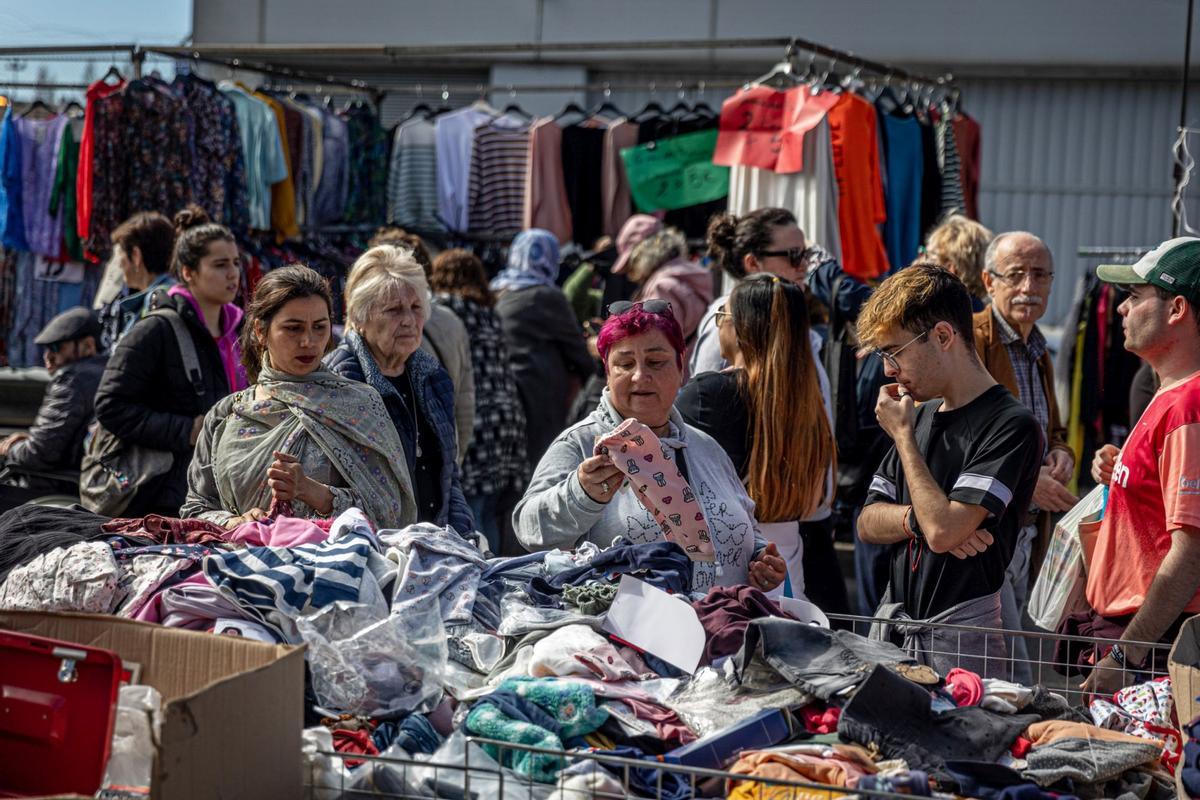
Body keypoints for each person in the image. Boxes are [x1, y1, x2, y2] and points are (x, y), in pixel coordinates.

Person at [515, 300, 788, 592]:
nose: (640, 375)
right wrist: (580, 493)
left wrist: (760, 558)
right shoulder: (580, 443)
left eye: (656, 362)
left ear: (681, 367)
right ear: (607, 371)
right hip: (627, 632)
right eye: (625, 364)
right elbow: (529, 529)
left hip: (723, 626)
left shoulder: (705, 446)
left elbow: (745, 523)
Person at [856, 265, 1043, 677]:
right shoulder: (917, 415)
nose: (888, 370)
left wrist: (904, 441)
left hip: (965, 645)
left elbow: (944, 531)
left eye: (894, 352)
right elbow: (868, 523)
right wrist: (916, 519)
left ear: (942, 336)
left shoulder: (1011, 425)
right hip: (897, 634)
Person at [183, 265, 416, 529]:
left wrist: (315, 493)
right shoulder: (226, 415)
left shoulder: (360, 405)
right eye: (293, 328)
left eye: (319, 327)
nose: (308, 341)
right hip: (240, 565)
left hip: (332, 567)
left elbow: (391, 513)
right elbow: (195, 508)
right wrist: (234, 523)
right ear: (261, 331)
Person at [1081, 237, 1200, 695]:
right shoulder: (1170, 394)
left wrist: (1123, 655)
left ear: (1177, 309)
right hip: (1141, 638)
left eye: (1134, 297)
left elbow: (1190, 552)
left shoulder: (1187, 405)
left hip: (1149, 645)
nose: (1119, 310)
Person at [676, 274, 839, 608]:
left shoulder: (709, 394)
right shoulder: (809, 403)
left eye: (722, 315)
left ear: (741, 327)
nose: (719, 325)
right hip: (789, 568)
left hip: (726, 573)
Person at [93, 207, 248, 516]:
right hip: (164, 496)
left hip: (225, 486)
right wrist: (185, 429)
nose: (232, 274)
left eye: (235, 263)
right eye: (219, 265)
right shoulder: (156, 329)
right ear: (188, 272)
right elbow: (110, 405)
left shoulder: (241, 331)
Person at [974, 231, 1076, 683]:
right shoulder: (971, 341)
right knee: (1009, 673)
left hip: (1028, 534)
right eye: (1015, 275)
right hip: (987, 531)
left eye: (1039, 275)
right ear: (988, 281)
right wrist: (1026, 481)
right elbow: (957, 441)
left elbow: (1051, 428)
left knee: (1016, 664)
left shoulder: (1038, 350)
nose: (1028, 287)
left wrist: (1060, 453)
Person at [325, 245, 473, 535]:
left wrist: (462, 538)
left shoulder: (433, 377)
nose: (408, 319)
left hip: (434, 548)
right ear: (360, 317)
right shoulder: (339, 380)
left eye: (416, 308)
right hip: (372, 549)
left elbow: (448, 476)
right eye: (393, 309)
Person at [430, 248, 528, 553]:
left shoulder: (444, 309)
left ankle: (482, 575)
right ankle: (495, 568)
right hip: (508, 416)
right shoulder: (490, 312)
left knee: (472, 512)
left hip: (478, 418)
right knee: (487, 509)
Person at [370, 226, 475, 464]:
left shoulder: (404, 335)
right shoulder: (451, 320)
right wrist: (454, 462)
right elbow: (466, 402)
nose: (408, 319)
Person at [493, 229, 594, 470]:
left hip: (501, 387)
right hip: (539, 391)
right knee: (542, 463)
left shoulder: (497, 289)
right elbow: (576, 349)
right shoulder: (546, 296)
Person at [0, 308, 107, 500]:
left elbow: (38, 454)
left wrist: (8, 449)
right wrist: (27, 442)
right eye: (46, 349)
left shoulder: (72, 380)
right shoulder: (106, 371)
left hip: (51, 488)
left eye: (57, 348)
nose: (48, 357)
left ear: (88, 346)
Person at [690, 208, 811, 376]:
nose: (804, 264)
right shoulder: (725, 323)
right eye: (794, 254)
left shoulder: (787, 315)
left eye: (806, 253)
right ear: (753, 263)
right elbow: (704, 397)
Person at [623, 223, 714, 353]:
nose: (630, 272)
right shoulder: (690, 273)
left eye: (631, 262)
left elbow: (656, 341)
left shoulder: (661, 287)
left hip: (676, 369)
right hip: (695, 358)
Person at [98, 211, 177, 346]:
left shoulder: (155, 302)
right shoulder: (175, 293)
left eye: (120, 255)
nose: (119, 265)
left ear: (136, 255)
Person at [924, 214, 994, 311]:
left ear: (950, 268)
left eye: (929, 257)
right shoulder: (983, 313)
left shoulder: (940, 315)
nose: (923, 263)